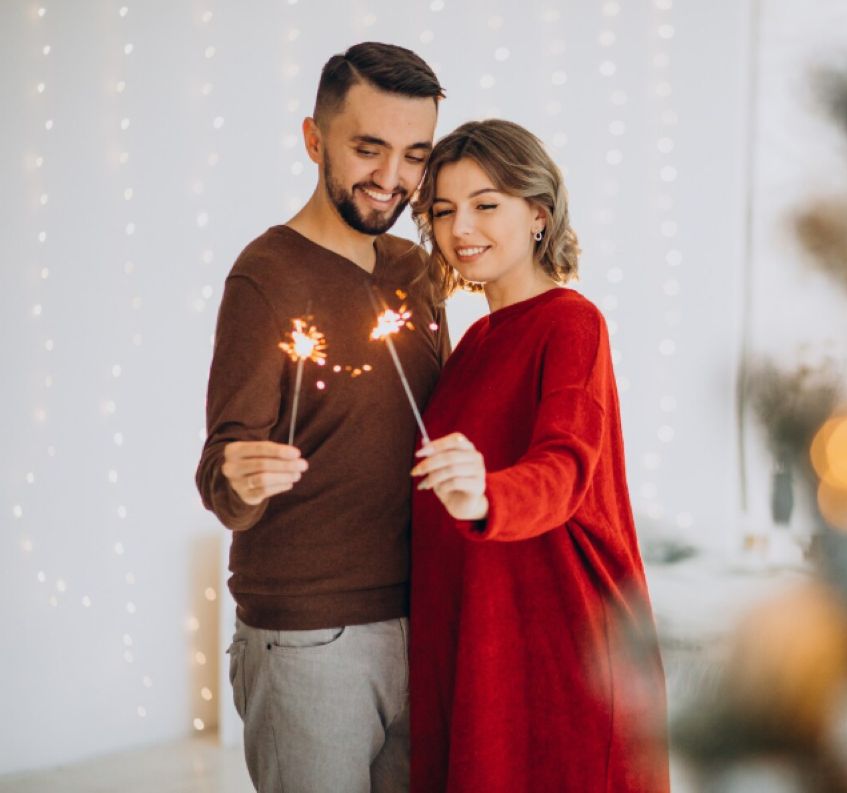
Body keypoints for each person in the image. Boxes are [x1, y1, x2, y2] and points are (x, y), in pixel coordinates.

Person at [195, 42, 448, 793]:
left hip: (424, 616)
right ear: (315, 139)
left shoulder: (418, 270)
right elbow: (222, 473)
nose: (391, 178)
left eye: (414, 155)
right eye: (368, 148)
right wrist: (241, 478)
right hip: (309, 639)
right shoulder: (266, 276)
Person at [408, 119, 670, 792]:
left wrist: (487, 494)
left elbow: (565, 465)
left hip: (559, 646)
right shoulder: (469, 345)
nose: (460, 225)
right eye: (442, 210)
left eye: (485, 204)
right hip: (481, 644)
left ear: (538, 214)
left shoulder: (572, 323)